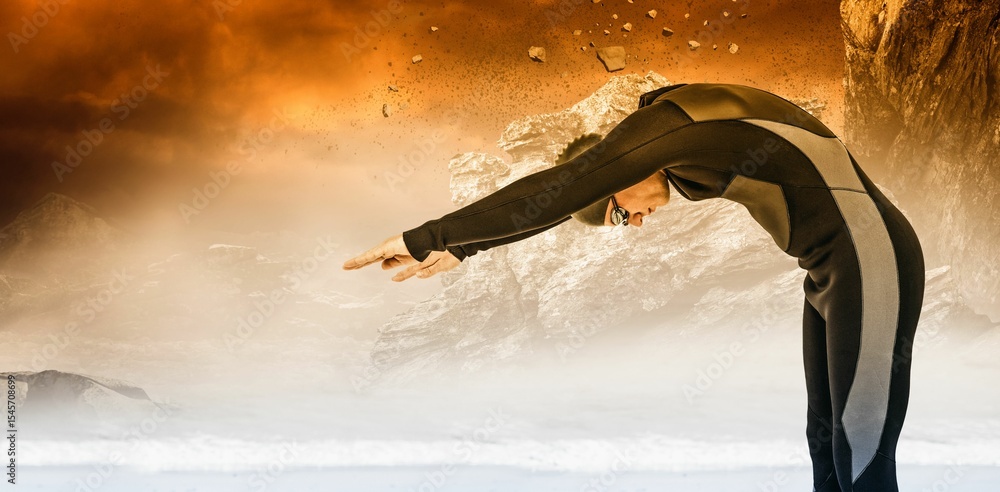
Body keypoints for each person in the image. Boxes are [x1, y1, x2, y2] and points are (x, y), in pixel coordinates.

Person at [342, 82, 925, 492]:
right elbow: (573, 193)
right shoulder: (681, 140)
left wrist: (433, 237)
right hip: (831, 270)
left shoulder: (671, 129)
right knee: (826, 446)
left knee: (861, 455)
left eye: (620, 215)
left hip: (872, 258)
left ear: (618, 179)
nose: (638, 222)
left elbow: (567, 187)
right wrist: (459, 247)